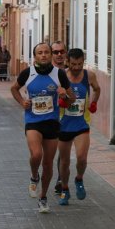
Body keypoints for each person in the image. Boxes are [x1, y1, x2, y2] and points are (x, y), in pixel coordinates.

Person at [10, 43, 75, 214]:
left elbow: (71, 100)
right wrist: (22, 102)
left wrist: (64, 96)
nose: (44, 55)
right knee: (36, 154)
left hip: (52, 122)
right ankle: (33, 176)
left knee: (47, 164)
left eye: (47, 52)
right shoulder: (27, 73)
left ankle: (43, 196)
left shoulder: (59, 74)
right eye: (40, 53)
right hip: (33, 120)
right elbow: (14, 88)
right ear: (35, 56)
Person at [57, 48, 100, 206]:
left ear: (83, 62)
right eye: (73, 64)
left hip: (82, 124)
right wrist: (60, 99)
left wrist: (94, 102)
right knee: (64, 161)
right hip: (63, 125)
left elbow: (97, 89)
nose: (76, 67)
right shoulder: (61, 76)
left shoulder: (89, 75)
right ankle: (65, 189)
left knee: (81, 158)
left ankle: (79, 179)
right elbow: (53, 96)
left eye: (80, 64)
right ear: (68, 61)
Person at [50, 41, 68, 195]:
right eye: (55, 52)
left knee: (63, 151)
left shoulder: (71, 72)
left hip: (69, 117)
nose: (59, 54)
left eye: (62, 51)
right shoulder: (47, 73)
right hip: (52, 117)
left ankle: (61, 179)